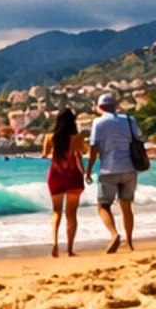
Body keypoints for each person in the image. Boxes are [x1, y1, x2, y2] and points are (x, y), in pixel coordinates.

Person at [86, 91, 140, 253]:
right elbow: (138, 139)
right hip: (130, 168)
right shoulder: (129, 120)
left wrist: (88, 171)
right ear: (115, 106)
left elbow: (94, 149)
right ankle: (129, 243)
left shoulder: (98, 123)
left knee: (103, 206)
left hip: (108, 170)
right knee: (126, 207)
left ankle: (114, 234)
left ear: (99, 107)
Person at [41, 107, 86, 258]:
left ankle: (54, 244)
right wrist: (85, 173)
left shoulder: (50, 137)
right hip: (74, 176)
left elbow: (45, 155)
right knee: (71, 214)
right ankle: (70, 249)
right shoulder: (77, 138)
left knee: (56, 212)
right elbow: (82, 154)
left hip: (56, 176)